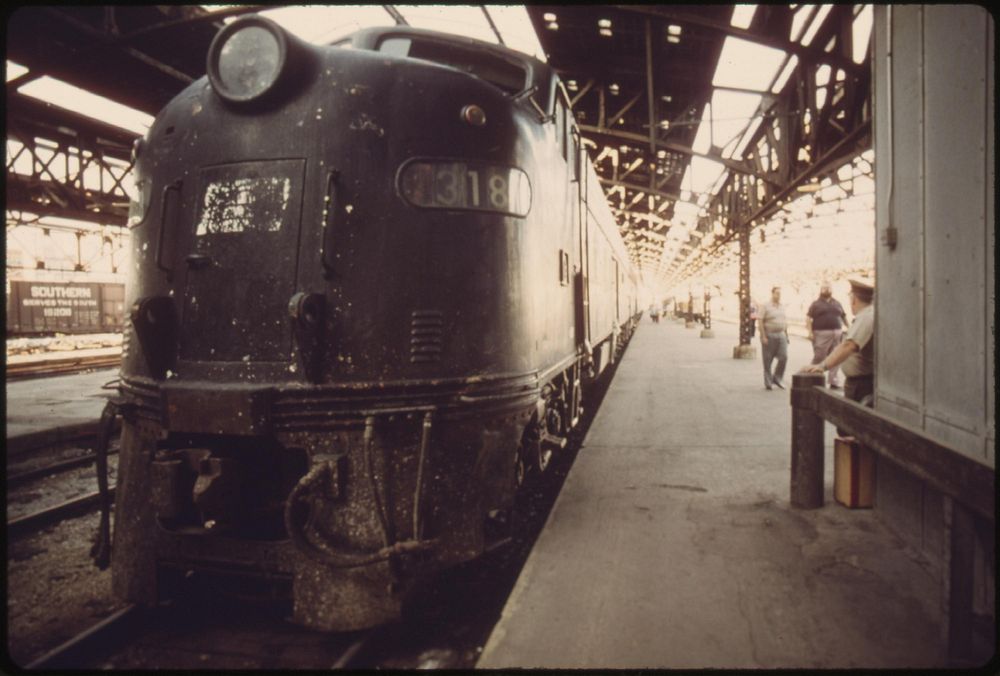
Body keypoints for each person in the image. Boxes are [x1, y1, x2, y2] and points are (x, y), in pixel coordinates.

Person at [801, 279, 874, 405]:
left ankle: (830, 379)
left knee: (850, 421)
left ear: (853, 299)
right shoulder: (869, 314)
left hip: (861, 384)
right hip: (861, 381)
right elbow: (808, 317)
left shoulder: (866, 316)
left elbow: (849, 346)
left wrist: (822, 366)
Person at [805, 281, 848, 389]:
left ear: (831, 290)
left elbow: (843, 316)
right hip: (821, 334)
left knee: (836, 356)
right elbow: (808, 319)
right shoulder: (816, 304)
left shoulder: (837, 303)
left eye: (828, 288)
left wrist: (850, 327)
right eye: (824, 288)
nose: (827, 290)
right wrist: (810, 332)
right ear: (820, 290)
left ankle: (833, 381)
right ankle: (813, 377)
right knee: (819, 356)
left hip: (837, 333)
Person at [758, 286, 788, 390]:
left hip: (781, 334)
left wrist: (786, 335)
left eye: (780, 294)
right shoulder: (765, 306)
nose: (778, 296)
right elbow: (760, 321)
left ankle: (777, 378)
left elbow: (784, 321)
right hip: (769, 335)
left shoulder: (782, 306)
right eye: (777, 293)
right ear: (772, 293)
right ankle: (768, 382)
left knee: (783, 357)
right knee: (768, 360)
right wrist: (763, 336)